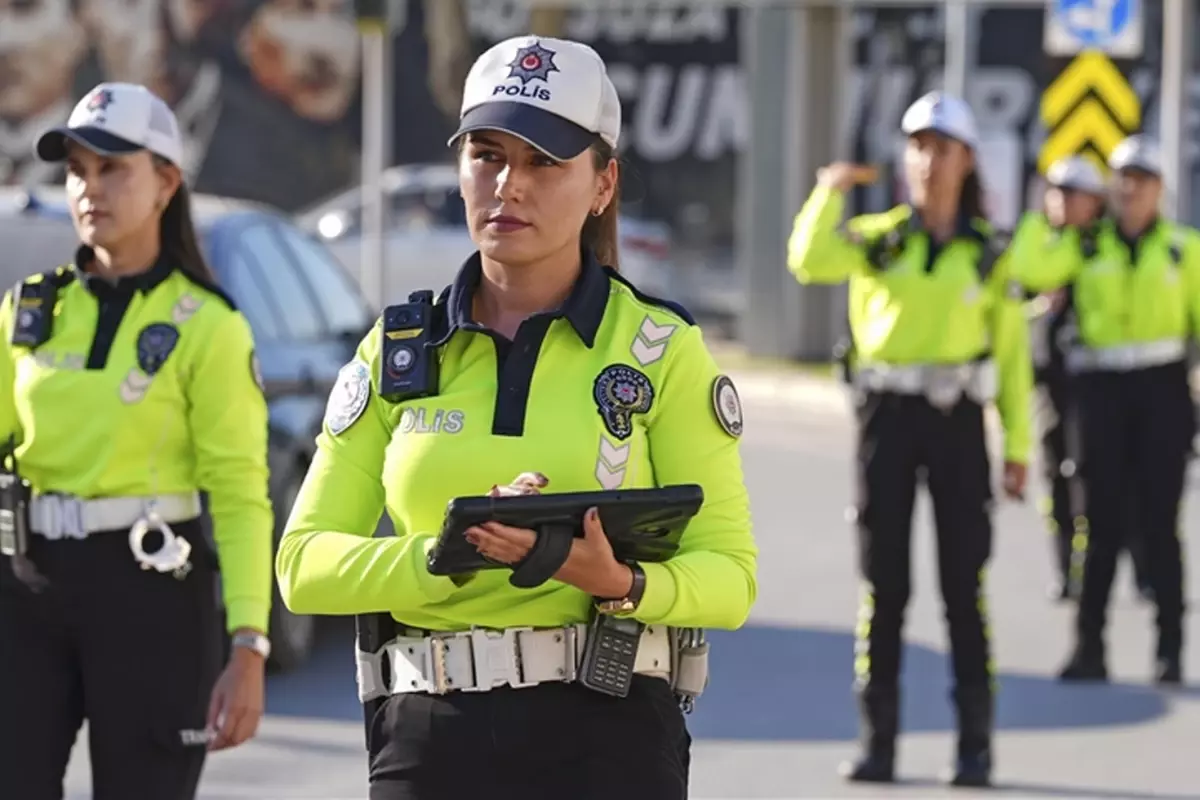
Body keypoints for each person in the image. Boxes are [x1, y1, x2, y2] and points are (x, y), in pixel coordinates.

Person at [275, 35, 758, 800]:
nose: (508, 185)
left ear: (604, 184)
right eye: (488, 155)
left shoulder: (662, 349)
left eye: (544, 162)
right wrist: (444, 558)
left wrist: (621, 582)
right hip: (430, 737)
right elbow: (302, 567)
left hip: (610, 735)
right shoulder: (395, 350)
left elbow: (730, 577)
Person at [0, 82, 274, 800]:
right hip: (26, 585)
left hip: (151, 593)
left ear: (167, 182)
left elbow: (242, 494)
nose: (91, 188)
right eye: (78, 170)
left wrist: (249, 642)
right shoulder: (29, 309)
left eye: (113, 168)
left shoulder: (210, 325)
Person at [787, 91, 1031, 788]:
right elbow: (808, 260)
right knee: (883, 584)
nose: (927, 160)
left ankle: (975, 747)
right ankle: (879, 741)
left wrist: (1016, 448)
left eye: (941, 147)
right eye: (917, 146)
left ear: (966, 161)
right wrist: (827, 194)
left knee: (963, 587)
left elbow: (1013, 359)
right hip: (886, 421)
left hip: (956, 424)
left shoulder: (988, 255)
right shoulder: (879, 238)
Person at [1014, 135, 1194, 685]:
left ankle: (1170, 650)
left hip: (1162, 391)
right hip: (1100, 395)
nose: (1129, 189)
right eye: (1122, 178)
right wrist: (1054, 218)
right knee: (1098, 523)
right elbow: (1027, 267)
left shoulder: (1182, 251)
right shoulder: (1086, 246)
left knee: (1161, 526)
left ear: (1160, 189)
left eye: (1141, 180)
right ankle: (1088, 648)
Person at [1019, 158, 1154, 604]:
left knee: (1119, 478)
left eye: (1074, 194)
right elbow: (1021, 273)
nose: (1062, 202)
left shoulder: (1102, 246)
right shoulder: (1042, 240)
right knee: (1057, 473)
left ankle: (1140, 569)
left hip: (1100, 385)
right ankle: (1068, 569)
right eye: (1055, 192)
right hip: (1052, 382)